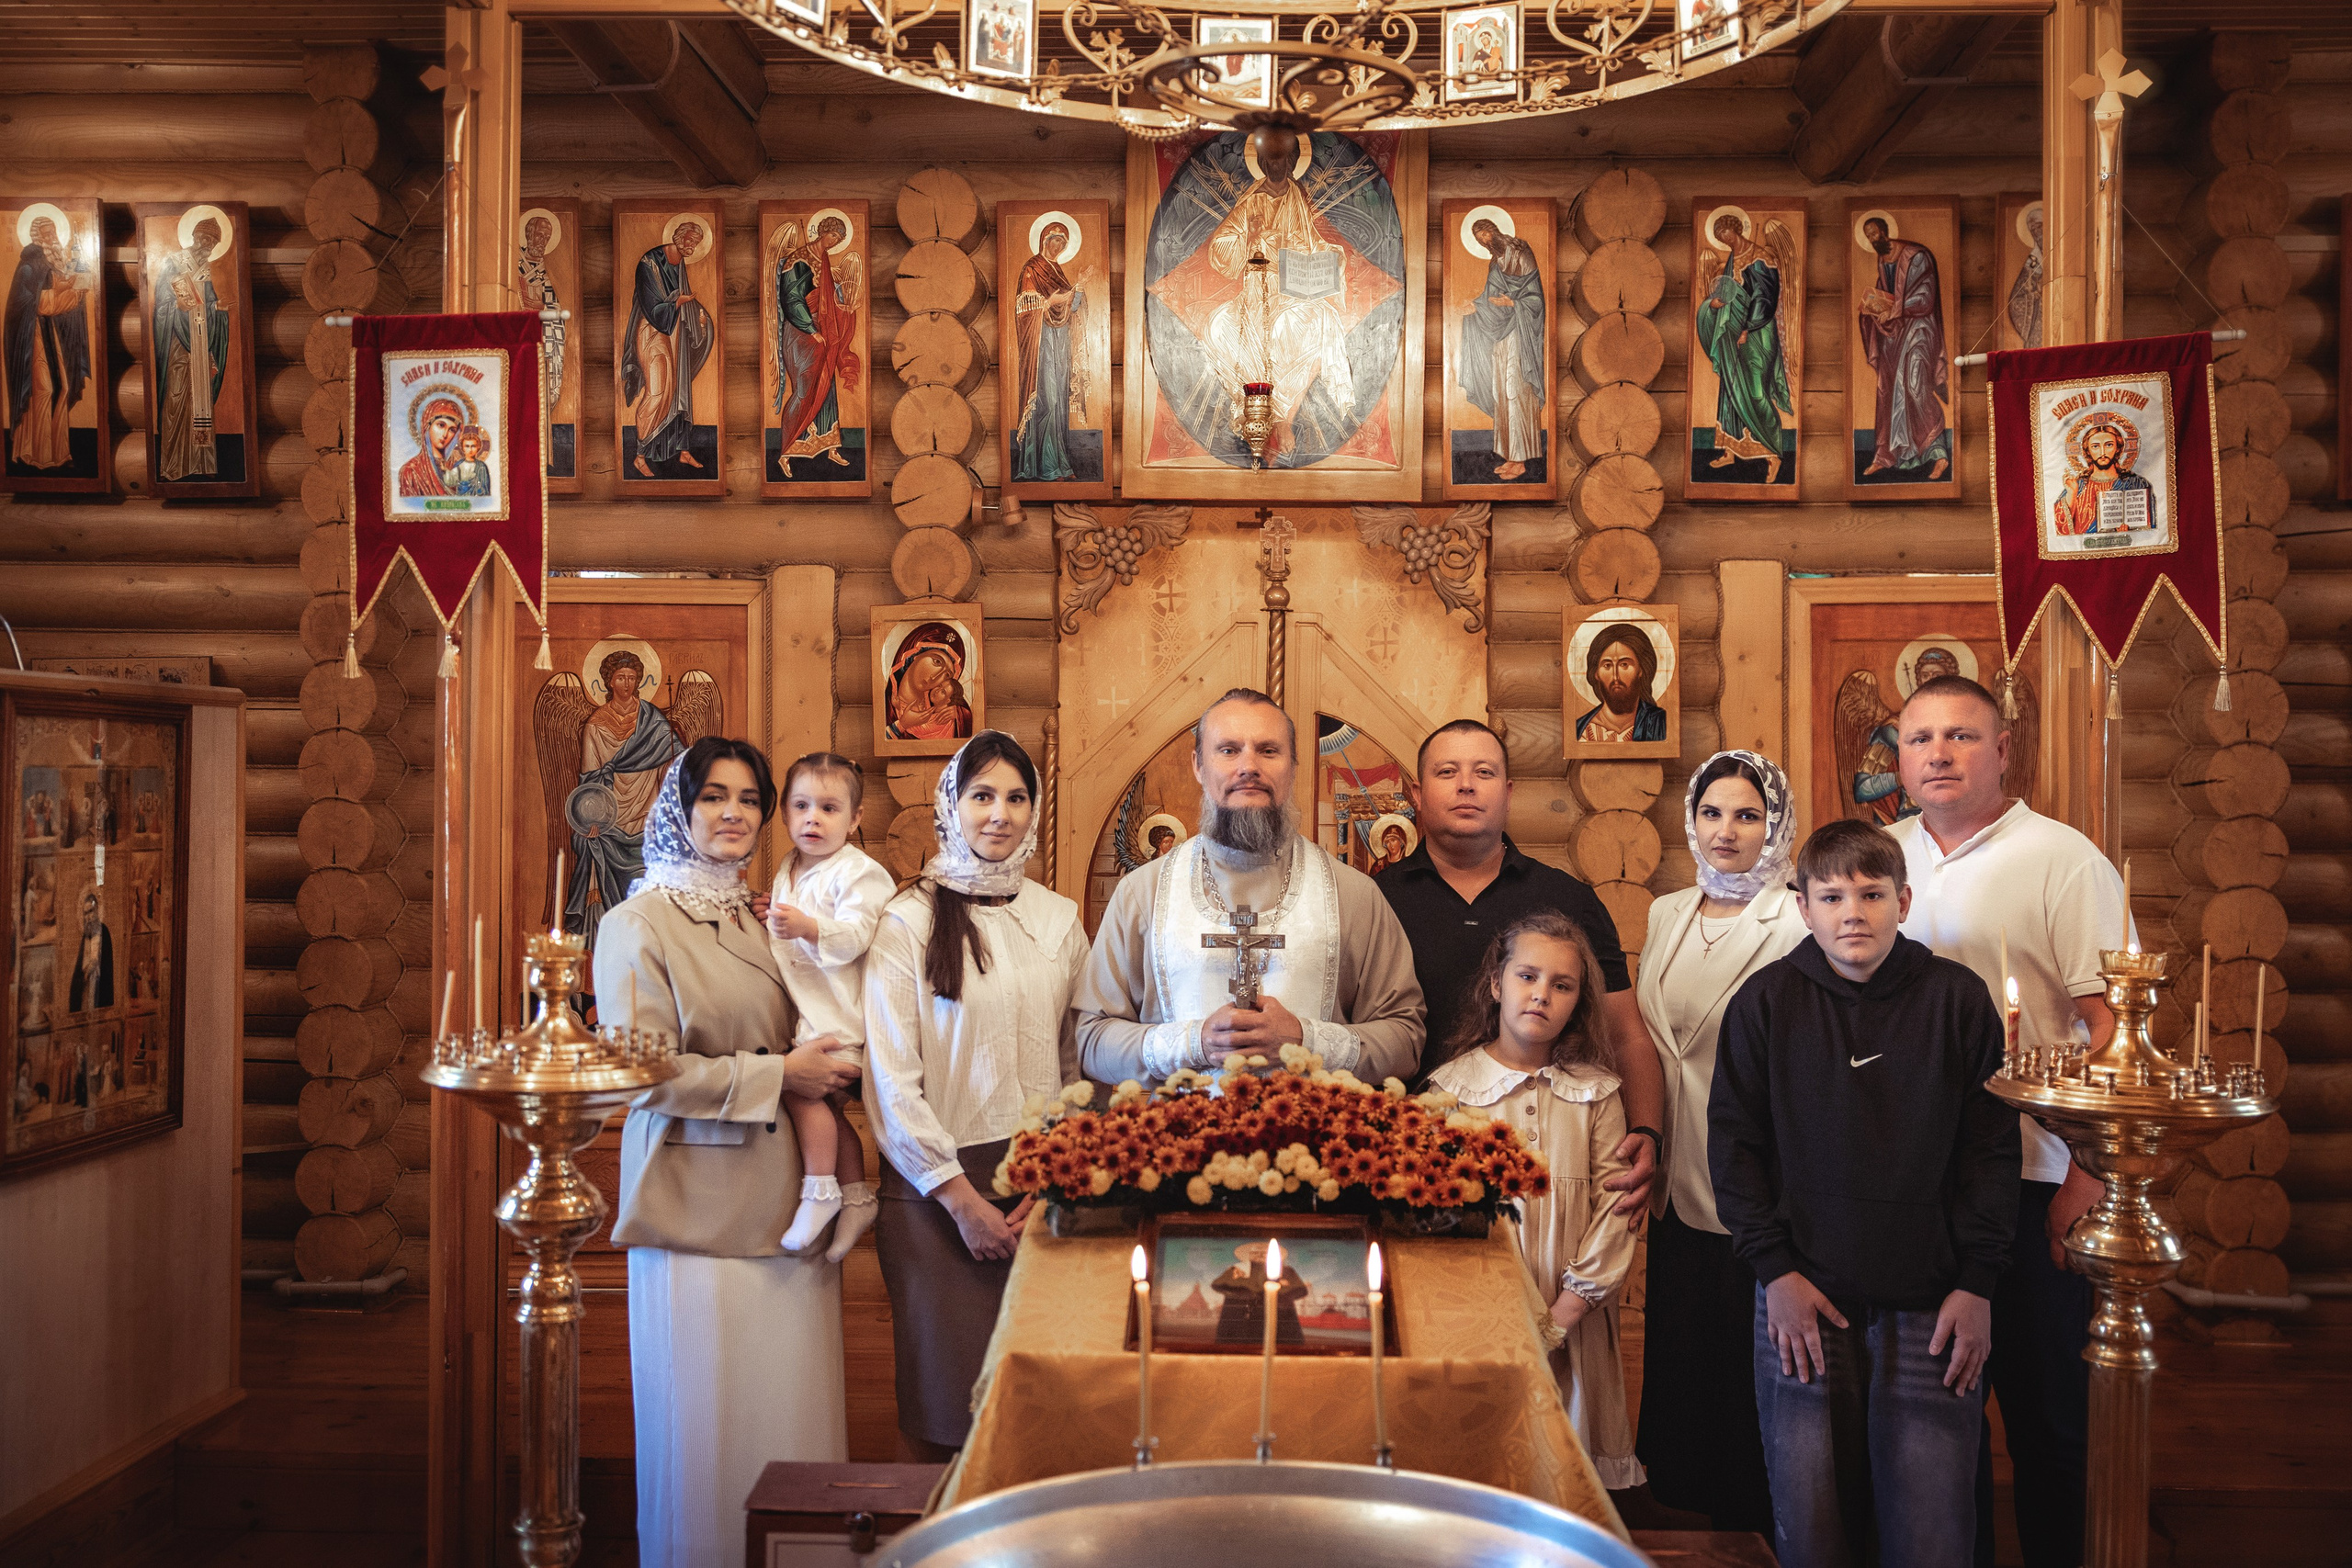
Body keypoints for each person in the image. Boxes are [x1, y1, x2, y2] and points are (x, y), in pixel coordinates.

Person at [1711, 818, 2018, 1568]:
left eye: (1872, 894)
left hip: (1934, 1303)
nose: (1853, 912)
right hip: (1801, 1299)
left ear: (1903, 902)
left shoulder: (1957, 999)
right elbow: (1734, 1149)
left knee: (1932, 1531)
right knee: (1810, 1523)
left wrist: (1978, 1281)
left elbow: (1990, 1151)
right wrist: (1775, 1272)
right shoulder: (1764, 1002)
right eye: (1832, 896)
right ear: (1804, 907)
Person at [596, 740, 857, 1568]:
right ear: (679, 807)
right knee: (707, 1436)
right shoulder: (638, 921)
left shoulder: (763, 911)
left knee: (792, 1421)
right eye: (713, 795)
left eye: (750, 798)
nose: (735, 813)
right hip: (699, 1209)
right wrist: (781, 1073)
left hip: (792, 1199)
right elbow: (639, 1073)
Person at [1888, 673, 2120, 1568]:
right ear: (1898, 758)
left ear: (2003, 749)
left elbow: (2116, 1030)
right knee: (1938, 1422)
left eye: (1961, 735)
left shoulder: (2062, 860)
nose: (1939, 754)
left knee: (2048, 1416)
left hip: (2033, 1179)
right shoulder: (1881, 860)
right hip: (1915, 1186)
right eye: (1920, 738)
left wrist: (2086, 1176)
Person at [863, 731, 1090, 1461]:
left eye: (1017, 797)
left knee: (1041, 1417)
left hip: (1042, 1193)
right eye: (982, 795)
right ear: (950, 807)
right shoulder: (907, 921)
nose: (1000, 813)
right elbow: (890, 1078)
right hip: (937, 1195)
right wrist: (964, 1204)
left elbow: (1076, 1061)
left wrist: (1054, 1179)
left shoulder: (1058, 919)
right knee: (948, 1415)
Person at [1373, 719, 1659, 1216]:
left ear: (1508, 793)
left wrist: (1647, 1129)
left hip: (1547, 1157)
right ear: (1416, 794)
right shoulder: (1374, 899)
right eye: (1447, 772)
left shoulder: (1568, 900)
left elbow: (1626, 1033)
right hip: (1408, 1161)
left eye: (1483, 772)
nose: (1466, 785)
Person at [1076, 688, 1424, 1089]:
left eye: (1268, 751)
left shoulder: (1354, 895)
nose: (1248, 767)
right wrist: (1194, 1043)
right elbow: (1092, 1041)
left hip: (1314, 1127)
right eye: (1228, 750)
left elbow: (1406, 1040)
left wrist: (1305, 1040)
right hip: (1177, 1128)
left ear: (1293, 766)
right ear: (1198, 766)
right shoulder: (1142, 894)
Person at [1633, 750, 1808, 1532]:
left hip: (1759, 1167)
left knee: (1750, 1347)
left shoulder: (1797, 917)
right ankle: (1684, 1498)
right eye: (1711, 813)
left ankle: (1753, 1513)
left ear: (1776, 823)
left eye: (1747, 815)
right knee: (1684, 1336)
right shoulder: (1667, 912)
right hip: (1674, 1163)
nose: (1726, 830)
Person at [1428, 911, 1644, 1490]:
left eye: (1562, 985)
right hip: (1485, 1316)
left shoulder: (1596, 1092)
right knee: (1488, 1459)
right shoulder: (1451, 1091)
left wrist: (1567, 1309)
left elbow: (1618, 1206)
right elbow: (1436, 1216)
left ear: (1579, 1002)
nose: (1542, 994)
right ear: (1496, 985)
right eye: (1527, 976)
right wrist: (1494, 1312)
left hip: (1575, 1313)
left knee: (1568, 1471)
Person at [765, 752, 894, 1260]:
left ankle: (819, 1191)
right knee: (831, 1111)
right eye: (801, 806)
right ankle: (857, 1196)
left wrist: (809, 927)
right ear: (784, 812)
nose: (812, 819)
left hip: (842, 1019)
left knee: (803, 1096)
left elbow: (859, 934)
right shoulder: (789, 866)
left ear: (855, 819)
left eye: (829, 808)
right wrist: (769, 912)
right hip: (808, 1014)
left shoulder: (860, 872)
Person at [566, 649, 685, 952]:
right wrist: (591, 819)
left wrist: (672, 764)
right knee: (599, 863)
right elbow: (591, 778)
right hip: (610, 818)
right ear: (609, 681)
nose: (627, 684)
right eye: (620, 678)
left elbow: (676, 763)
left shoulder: (652, 720)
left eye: (632, 677)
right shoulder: (596, 724)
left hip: (647, 813)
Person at [1696, 209, 1793, 485]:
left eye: (1725, 232)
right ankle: (1731, 449)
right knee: (1730, 389)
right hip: (1734, 335)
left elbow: (1765, 297)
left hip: (1758, 333)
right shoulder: (1731, 261)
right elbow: (1727, 294)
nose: (1723, 239)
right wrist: (1714, 304)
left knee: (1756, 391)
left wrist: (1747, 328)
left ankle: (1772, 455)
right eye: (1718, 236)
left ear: (1736, 228)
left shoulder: (1760, 257)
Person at [1856, 214, 1951, 482]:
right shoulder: (1882, 260)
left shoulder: (1917, 256)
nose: (1872, 239)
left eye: (1874, 233)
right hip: (1896, 333)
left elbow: (1925, 297)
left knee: (1914, 385)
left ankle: (1938, 454)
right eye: (1868, 236)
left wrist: (1896, 309)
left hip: (1920, 329)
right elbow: (1886, 294)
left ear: (1885, 231)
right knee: (1888, 389)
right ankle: (1887, 455)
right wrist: (1872, 310)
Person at [621, 219, 714, 477]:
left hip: (674, 334)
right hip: (651, 331)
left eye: (696, 243)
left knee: (678, 392)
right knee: (658, 392)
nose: (692, 247)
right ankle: (639, 455)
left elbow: (684, 302)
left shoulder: (680, 264)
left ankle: (682, 450)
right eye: (689, 241)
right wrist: (677, 303)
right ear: (678, 236)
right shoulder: (649, 262)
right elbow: (652, 305)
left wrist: (700, 322)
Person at [1457, 216, 1545, 481]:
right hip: (1501, 336)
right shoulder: (1495, 263)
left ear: (1493, 230)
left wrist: (1513, 304)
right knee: (1501, 391)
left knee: (1515, 389)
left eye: (1485, 234)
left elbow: (1536, 298)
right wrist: (1475, 307)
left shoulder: (1521, 252)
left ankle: (1521, 459)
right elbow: (1489, 299)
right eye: (1479, 239)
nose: (1484, 240)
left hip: (1520, 332)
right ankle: (1510, 456)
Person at [773, 214, 861, 471]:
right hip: (801, 334)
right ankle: (786, 452)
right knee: (804, 390)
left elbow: (827, 298)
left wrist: (843, 304)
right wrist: (811, 330)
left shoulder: (823, 260)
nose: (834, 242)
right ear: (823, 232)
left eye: (839, 239)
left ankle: (829, 446)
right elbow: (791, 299)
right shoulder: (798, 260)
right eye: (833, 236)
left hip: (821, 333)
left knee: (826, 387)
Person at [6, 214, 93, 472]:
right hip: (33, 340)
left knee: (62, 388)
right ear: (37, 237)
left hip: (51, 336)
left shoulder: (50, 264)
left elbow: (57, 288)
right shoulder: (29, 267)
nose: (53, 237)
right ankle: (36, 454)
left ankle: (59, 453)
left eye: (54, 232)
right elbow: (44, 305)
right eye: (47, 233)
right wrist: (75, 293)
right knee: (44, 390)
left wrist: (74, 283)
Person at [1012, 219, 1087, 483]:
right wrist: (1047, 302)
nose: (1059, 247)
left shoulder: (1058, 272)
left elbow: (1072, 309)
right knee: (1048, 400)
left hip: (1060, 343)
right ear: (1045, 240)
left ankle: (1061, 465)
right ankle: (1045, 465)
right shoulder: (1032, 269)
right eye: (1056, 241)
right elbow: (1024, 308)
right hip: (1041, 344)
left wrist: (1078, 289)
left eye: (1063, 244)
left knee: (1060, 402)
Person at [154, 215, 229, 481]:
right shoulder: (173, 262)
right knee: (176, 399)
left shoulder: (206, 271)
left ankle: (200, 464)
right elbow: (161, 304)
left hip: (200, 345)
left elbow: (207, 304)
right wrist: (176, 305)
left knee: (199, 401)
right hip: (178, 342)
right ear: (194, 236)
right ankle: (174, 464)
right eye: (204, 238)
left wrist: (217, 309)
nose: (207, 244)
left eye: (212, 241)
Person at [2050, 418, 2154, 537]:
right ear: (2087, 451)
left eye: (2109, 445)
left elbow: (2150, 531)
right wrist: (2072, 496)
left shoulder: (2135, 484)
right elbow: (2059, 533)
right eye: (2095, 446)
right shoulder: (2077, 486)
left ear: (2118, 448)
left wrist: (2129, 533)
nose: (2102, 452)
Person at [1574, 624, 1668, 744]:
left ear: (1641, 669)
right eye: (1607, 665)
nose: (1615, 677)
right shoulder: (1581, 730)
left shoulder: (1659, 723)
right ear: (1596, 673)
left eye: (1624, 665)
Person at [443, 426, 492, 497]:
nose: (470, 449)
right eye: (467, 446)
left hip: (478, 500)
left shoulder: (482, 466)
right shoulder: (459, 465)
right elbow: (450, 482)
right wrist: (444, 470)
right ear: (462, 448)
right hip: (462, 500)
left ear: (478, 447)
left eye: (473, 446)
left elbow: (485, 489)